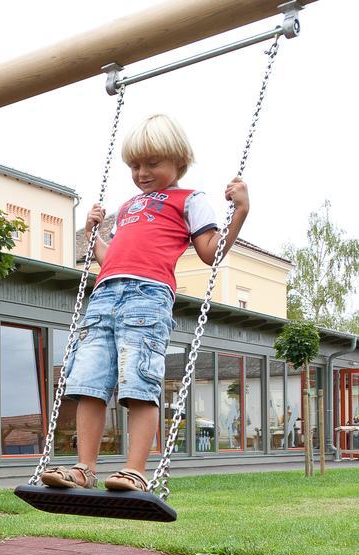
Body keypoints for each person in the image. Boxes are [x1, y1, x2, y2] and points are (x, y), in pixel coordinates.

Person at [41, 114, 249, 492]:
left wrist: (240, 213)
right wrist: (93, 235)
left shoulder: (191, 200)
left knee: (138, 381)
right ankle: (84, 468)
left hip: (146, 296)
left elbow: (210, 252)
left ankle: (134, 470)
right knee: (88, 382)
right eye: (135, 165)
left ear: (178, 162)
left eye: (152, 164)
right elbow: (111, 258)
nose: (142, 172)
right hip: (104, 294)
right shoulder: (128, 207)